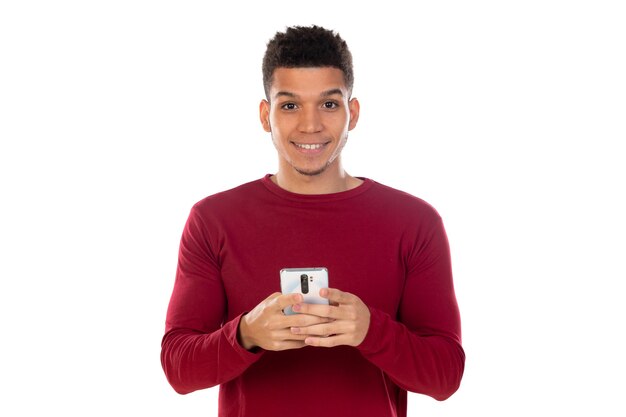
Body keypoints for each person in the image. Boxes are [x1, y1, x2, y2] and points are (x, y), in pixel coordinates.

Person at [161, 25, 465, 417]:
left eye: (328, 104)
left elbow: (446, 377)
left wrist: (372, 330)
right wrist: (246, 334)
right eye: (289, 105)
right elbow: (177, 369)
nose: (310, 125)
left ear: (351, 113)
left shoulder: (415, 222)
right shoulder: (212, 220)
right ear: (264, 115)